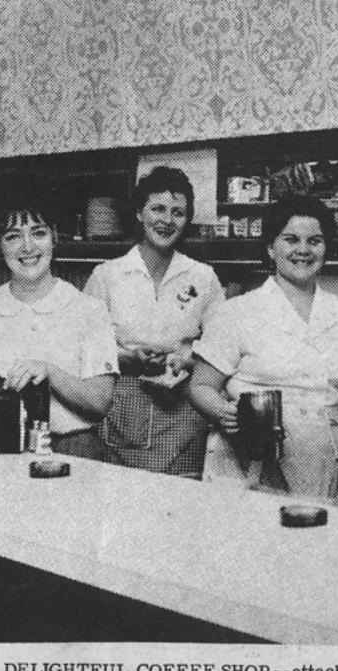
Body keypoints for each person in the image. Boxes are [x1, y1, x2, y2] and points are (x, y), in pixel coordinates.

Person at [189, 194, 338, 502]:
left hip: (324, 462)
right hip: (248, 462)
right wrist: (224, 412)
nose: (303, 249)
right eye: (290, 239)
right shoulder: (236, 312)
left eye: (315, 241)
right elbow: (201, 385)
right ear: (271, 247)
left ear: (326, 248)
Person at [0, 172, 118, 459]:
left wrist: (50, 372)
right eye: (13, 237)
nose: (27, 247)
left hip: (72, 452)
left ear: (54, 238)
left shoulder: (89, 310)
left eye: (38, 233)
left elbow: (100, 402)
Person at [83, 166, 224, 477]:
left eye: (178, 212)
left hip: (183, 412)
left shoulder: (203, 276)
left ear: (187, 220)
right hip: (121, 410)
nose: (167, 220)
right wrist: (128, 358)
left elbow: (220, 350)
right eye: (158, 208)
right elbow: (85, 351)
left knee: (179, 509)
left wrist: (187, 363)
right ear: (139, 213)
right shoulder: (107, 276)